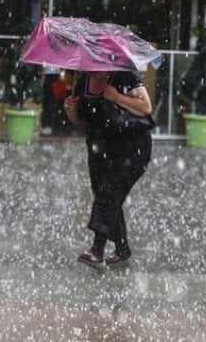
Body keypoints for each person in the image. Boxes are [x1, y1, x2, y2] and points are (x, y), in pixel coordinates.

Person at [63, 71, 153, 269]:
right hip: (99, 150)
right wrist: (72, 111)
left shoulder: (125, 78)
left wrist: (117, 97)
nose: (94, 70)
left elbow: (146, 107)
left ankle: (97, 249)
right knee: (108, 197)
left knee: (108, 194)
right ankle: (122, 249)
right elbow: (80, 119)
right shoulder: (83, 82)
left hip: (131, 150)